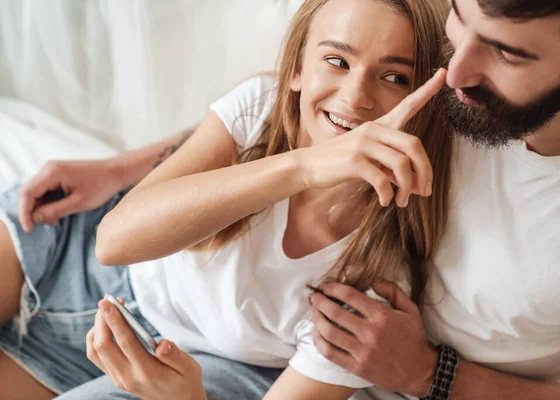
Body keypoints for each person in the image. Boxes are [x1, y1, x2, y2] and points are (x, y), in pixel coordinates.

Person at [0, 0, 453, 399]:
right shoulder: (258, 109)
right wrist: (305, 167)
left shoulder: (372, 285)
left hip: (184, 365)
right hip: (72, 252)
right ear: (296, 69)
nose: (355, 97)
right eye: (336, 61)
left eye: (394, 77)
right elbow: (114, 241)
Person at [308, 0, 560, 399]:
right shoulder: (426, 55)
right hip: (276, 357)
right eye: (459, 19)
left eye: (507, 53)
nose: (456, 75)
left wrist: (429, 373)